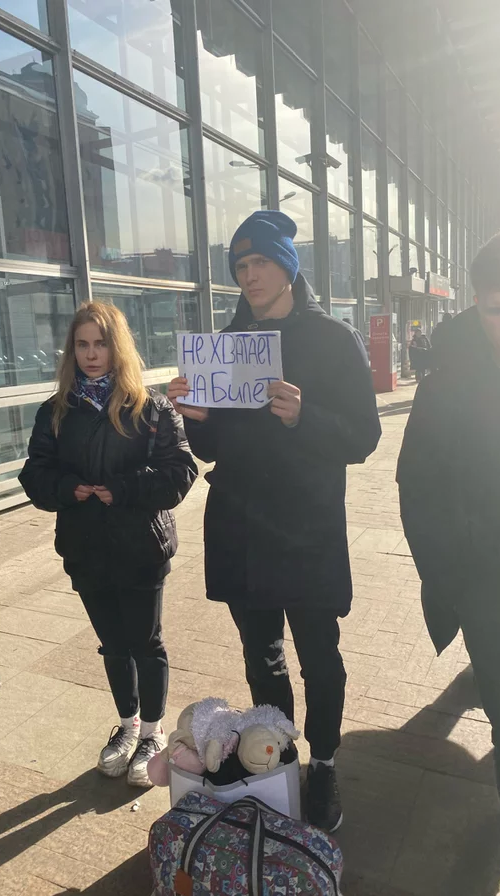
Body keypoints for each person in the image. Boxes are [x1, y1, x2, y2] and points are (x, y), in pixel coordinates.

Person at [167, 211, 381, 831]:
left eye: (259, 261)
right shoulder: (225, 344)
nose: (249, 275)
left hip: (308, 524)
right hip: (241, 520)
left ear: (287, 265)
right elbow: (212, 451)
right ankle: (277, 755)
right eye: (240, 265)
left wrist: (301, 416)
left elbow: (364, 437)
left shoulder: (332, 339)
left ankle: (326, 762)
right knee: (261, 654)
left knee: (319, 651)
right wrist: (196, 421)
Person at [19, 301, 197, 787]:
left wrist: (124, 488)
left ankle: (154, 733)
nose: (92, 354)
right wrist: (65, 488)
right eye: (82, 344)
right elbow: (34, 473)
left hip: (141, 545)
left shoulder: (152, 407)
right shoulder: (56, 412)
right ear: (71, 350)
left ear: (117, 347)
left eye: (100, 344)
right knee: (113, 646)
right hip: (85, 546)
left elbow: (181, 472)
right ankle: (127, 726)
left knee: (145, 642)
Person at [397, 228, 500, 879]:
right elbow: (415, 490)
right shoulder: (448, 388)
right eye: (497, 308)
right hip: (493, 597)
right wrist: (457, 581)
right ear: (477, 305)